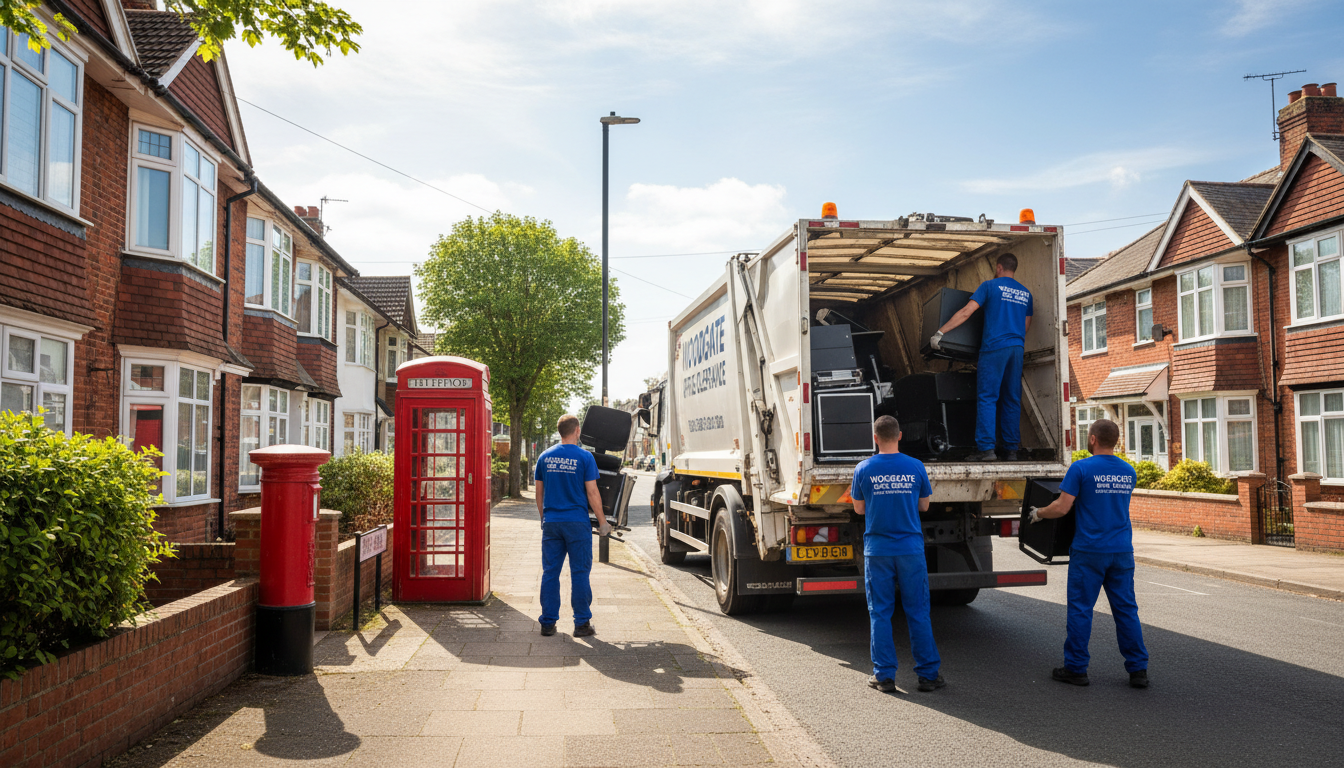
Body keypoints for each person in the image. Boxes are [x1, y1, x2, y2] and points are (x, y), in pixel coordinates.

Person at [1030, 418, 1150, 689]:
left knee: (1081, 609)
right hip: (1121, 551)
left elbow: (1062, 507)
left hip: (1089, 550)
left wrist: (1038, 513)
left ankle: (1076, 668)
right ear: (1116, 440)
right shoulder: (1128, 471)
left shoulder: (1081, 468)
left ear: (1093, 439)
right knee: (1126, 610)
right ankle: (1138, 670)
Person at [849, 415, 944, 693]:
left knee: (879, 613)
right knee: (918, 612)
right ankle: (928, 675)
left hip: (877, 551)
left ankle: (884, 675)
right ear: (900, 436)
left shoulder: (863, 469)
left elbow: (858, 509)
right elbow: (924, 506)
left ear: (875, 437)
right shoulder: (915, 466)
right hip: (910, 550)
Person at [930, 252, 1033, 461]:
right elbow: (1026, 325)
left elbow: (967, 311)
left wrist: (940, 333)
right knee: (1012, 399)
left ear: (999, 267)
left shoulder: (990, 286)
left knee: (988, 398)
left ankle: (986, 450)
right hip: (1017, 348)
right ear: (1015, 268)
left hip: (995, 348)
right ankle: (1011, 450)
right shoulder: (1026, 294)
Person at [534, 414, 611, 638]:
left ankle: (548, 623)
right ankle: (581, 624)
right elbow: (593, 492)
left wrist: (544, 518)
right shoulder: (585, 457)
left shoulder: (544, 457)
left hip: (552, 523)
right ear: (577, 430)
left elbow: (539, 493)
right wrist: (603, 522)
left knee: (550, 573)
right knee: (579, 573)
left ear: (560, 431)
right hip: (577, 523)